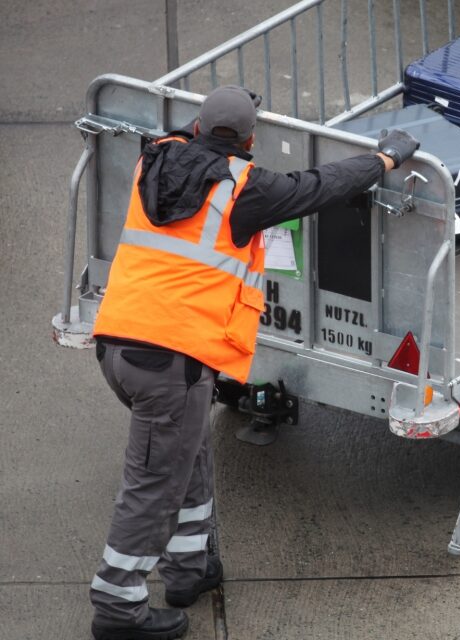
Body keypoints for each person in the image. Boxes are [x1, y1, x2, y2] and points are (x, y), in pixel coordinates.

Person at [88, 85, 419, 640]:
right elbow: (322, 186)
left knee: (184, 455)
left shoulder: (154, 159)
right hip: (173, 362)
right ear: (250, 141)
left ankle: (190, 570)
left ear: (195, 128)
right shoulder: (244, 190)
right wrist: (385, 157)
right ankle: (117, 607)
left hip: (121, 347)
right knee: (153, 485)